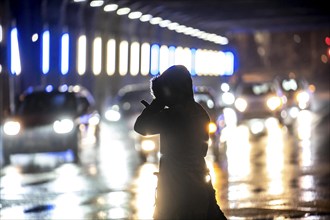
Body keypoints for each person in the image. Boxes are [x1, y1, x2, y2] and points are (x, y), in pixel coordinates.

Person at [134, 65, 227, 220]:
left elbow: (141, 126)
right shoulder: (199, 112)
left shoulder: (173, 115)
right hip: (199, 179)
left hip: (175, 187)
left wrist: (156, 104)